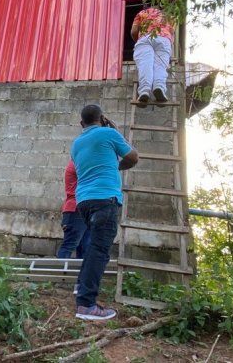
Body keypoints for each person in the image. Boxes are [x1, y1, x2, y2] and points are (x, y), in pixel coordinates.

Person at [71, 104, 138, 321]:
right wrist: (114, 131)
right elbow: (133, 157)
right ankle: (86, 305)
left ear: (82, 124)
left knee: (93, 248)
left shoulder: (76, 143)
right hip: (105, 199)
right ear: (102, 118)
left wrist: (109, 163)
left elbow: (91, 164)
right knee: (99, 250)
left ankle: (81, 288)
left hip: (83, 202)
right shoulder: (109, 133)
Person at [56, 160, 91, 295]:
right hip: (75, 209)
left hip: (84, 209)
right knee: (69, 245)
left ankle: (79, 284)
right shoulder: (77, 164)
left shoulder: (79, 162)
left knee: (84, 248)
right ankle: (60, 280)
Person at [131, 5, 173, 104]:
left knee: (145, 65)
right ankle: (159, 87)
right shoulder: (168, 16)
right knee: (160, 66)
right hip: (164, 39)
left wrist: (138, 40)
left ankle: (144, 91)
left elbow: (134, 32)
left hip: (145, 38)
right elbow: (172, 33)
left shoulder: (142, 13)